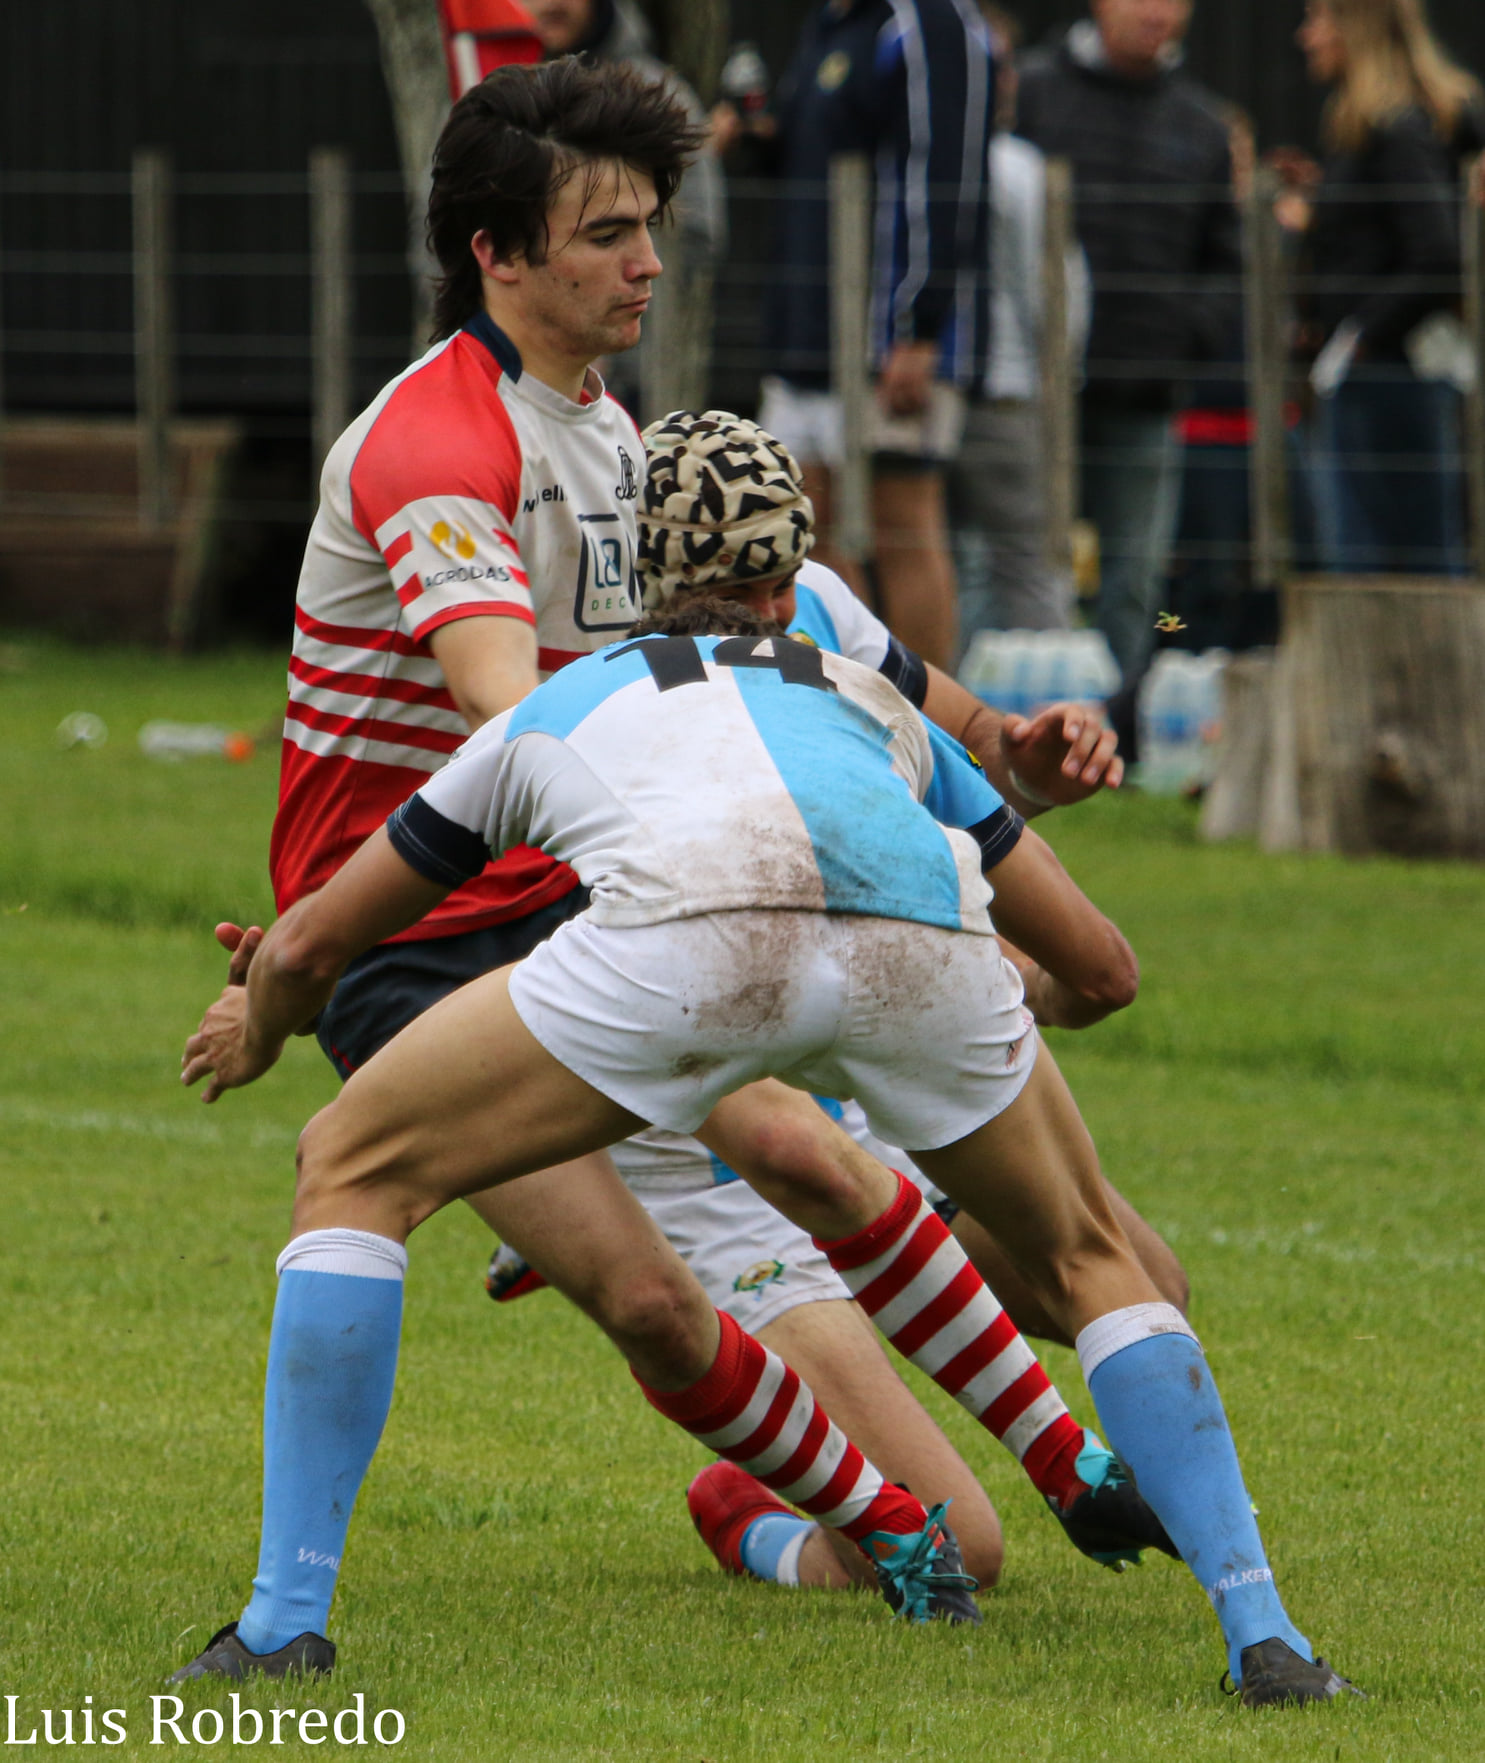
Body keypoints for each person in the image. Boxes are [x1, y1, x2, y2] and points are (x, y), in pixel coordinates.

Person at [181, 56, 1160, 1667]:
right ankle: (906, 1505)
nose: (647, 261)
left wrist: (986, 757)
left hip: (582, 910)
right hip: (423, 947)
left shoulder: (610, 427)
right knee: (648, 1297)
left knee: (828, 1149)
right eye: (606, 232)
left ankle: (1025, 1469)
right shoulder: (439, 446)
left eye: (653, 226)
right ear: (496, 252)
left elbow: (766, 662)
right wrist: (301, 958)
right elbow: (526, 723)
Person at [179, 587, 1358, 1709]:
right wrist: (1008, 1003)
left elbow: (306, 947)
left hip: (681, 954)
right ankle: (1268, 1638)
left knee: (360, 1164)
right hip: (896, 953)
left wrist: (264, 1021)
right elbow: (1103, 968)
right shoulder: (856, 684)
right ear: (781, 589)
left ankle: (285, 1625)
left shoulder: (571, 688)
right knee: (1093, 1256)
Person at [485, 410, 1190, 1595]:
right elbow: (490, 888)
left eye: (784, 578)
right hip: (723, 1123)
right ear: (651, 576)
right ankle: (748, 1502)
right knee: (958, 1545)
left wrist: (1035, 755)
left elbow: (963, 747)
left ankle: (1117, 1495)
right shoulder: (589, 677)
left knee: (1138, 1286)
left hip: (836, 1056)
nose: (774, 615)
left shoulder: (813, 609)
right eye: (743, 586)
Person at [1016, 0, 1242, 746]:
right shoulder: (1032, 95)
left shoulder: (1204, 126)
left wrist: (1185, 334)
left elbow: (1226, 263)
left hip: (1146, 394)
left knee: (1140, 585)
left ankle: (1117, 736)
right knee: (1022, 566)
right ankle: (1009, 732)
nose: (1158, 13)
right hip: (1034, 397)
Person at [755, 0, 995, 672]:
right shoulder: (829, 24)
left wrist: (916, 325)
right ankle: (849, 714)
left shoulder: (929, 23)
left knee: (902, 530)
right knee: (803, 535)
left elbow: (943, 173)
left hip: (890, 339)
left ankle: (936, 736)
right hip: (808, 332)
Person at [1292, 0, 1482, 574]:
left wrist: (1361, 336)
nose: (1307, 37)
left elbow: (1437, 254)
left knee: (1383, 560)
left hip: (1391, 377)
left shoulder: (1396, 127)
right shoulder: (1383, 123)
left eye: (1317, 20)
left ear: (1356, 27)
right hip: (1388, 373)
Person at [949, 3, 1090, 645]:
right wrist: (1058, 379)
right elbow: (1054, 295)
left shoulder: (925, 158)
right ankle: (1059, 701)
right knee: (1027, 563)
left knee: (951, 557)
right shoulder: (1014, 166)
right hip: (1008, 387)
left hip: (946, 382)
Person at [524, 0, 727, 419]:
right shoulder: (486, 96)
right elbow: (441, 228)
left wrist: (614, 342)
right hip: (506, 369)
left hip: (628, 386)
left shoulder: (653, 95)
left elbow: (693, 236)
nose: (551, 3)